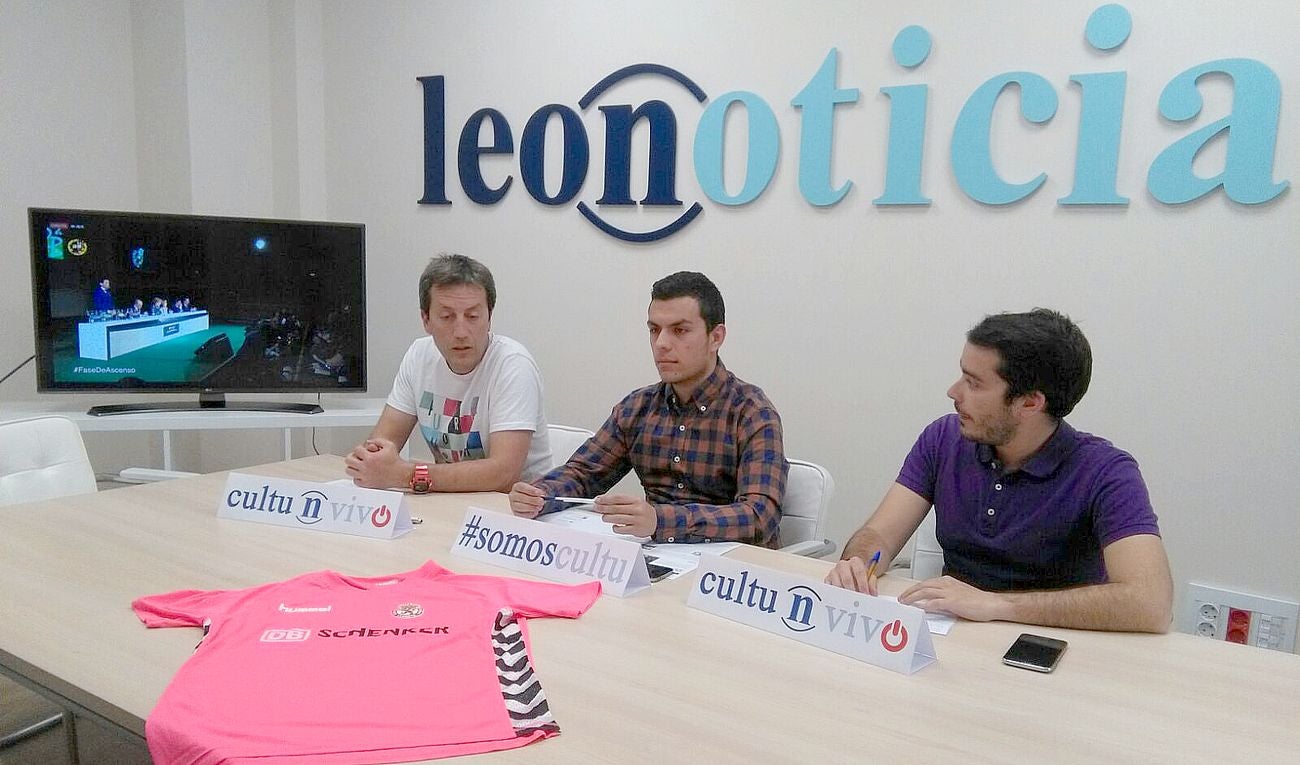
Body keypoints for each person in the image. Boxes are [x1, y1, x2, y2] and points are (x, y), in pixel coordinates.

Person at [826, 309, 1173, 633]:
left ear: (1029, 403)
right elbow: (880, 535)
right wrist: (860, 563)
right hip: (952, 635)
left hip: (1049, 648)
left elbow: (1149, 604)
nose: (953, 392)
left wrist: (996, 605)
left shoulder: (1106, 472)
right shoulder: (943, 438)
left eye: (974, 383)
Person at [509, 271, 788, 548]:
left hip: (729, 568)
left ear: (716, 337)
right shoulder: (638, 407)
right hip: (659, 556)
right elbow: (582, 474)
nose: (662, 343)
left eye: (679, 331)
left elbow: (759, 516)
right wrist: (539, 494)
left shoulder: (751, 412)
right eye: (654, 330)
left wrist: (660, 520)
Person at [345, 254, 551, 492]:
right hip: (448, 499)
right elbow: (381, 444)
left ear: (489, 317)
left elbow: (504, 474)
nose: (461, 332)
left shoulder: (513, 364)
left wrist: (406, 475)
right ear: (426, 319)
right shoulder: (419, 355)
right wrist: (371, 462)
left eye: (472, 317)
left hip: (512, 507)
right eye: (447, 317)